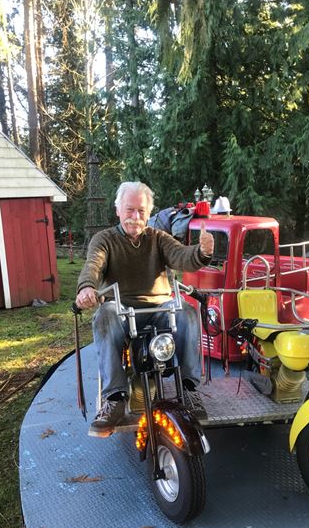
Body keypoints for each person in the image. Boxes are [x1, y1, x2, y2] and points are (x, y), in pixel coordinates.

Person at [76, 181, 215, 437]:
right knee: (104, 315)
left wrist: (201, 252)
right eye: (130, 210)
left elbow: (182, 256)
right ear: (118, 209)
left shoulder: (159, 238)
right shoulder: (104, 240)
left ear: (149, 213)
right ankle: (115, 399)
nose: (135, 217)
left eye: (141, 211)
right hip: (123, 309)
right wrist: (87, 288)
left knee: (187, 312)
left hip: (160, 307)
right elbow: (93, 266)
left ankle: (189, 389)